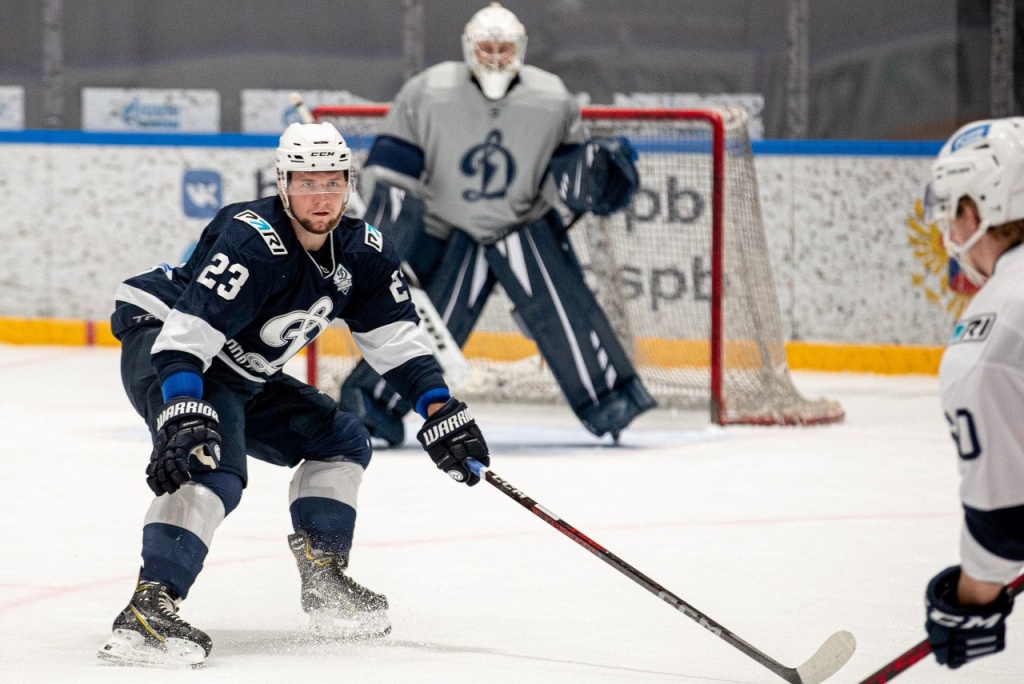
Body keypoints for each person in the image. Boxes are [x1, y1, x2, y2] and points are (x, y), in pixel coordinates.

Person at [97, 121, 490, 667]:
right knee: (207, 461)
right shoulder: (250, 238)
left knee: (341, 439)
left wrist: (440, 409)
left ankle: (324, 579)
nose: (320, 197)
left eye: (332, 183)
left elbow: (396, 341)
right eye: (307, 183)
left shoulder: (364, 251)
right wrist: (183, 405)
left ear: (349, 185)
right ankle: (148, 608)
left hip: (240, 371)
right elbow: (186, 339)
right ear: (284, 184)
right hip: (165, 342)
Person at [339, 2, 655, 447]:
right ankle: (372, 406)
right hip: (446, 232)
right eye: (485, 47)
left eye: (504, 48)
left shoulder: (552, 97)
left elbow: (566, 174)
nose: (494, 57)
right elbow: (394, 171)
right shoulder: (428, 90)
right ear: (469, 47)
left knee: (565, 315)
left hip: (522, 227)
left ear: (521, 48)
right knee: (429, 326)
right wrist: (387, 245)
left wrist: (596, 174)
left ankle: (612, 401)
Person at [921, 117, 1024, 670]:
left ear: (975, 208)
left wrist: (970, 605)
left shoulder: (991, 336)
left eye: (950, 208)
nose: (950, 229)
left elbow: (1007, 519)